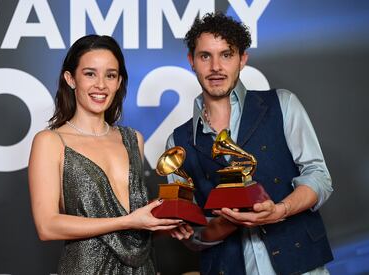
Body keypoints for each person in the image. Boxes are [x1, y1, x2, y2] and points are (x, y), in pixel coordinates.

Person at [167, 12, 334, 275]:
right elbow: (192, 237)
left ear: (242, 59)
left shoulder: (283, 104)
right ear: (192, 61)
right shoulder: (177, 142)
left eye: (227, 54)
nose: (216, 67)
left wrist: (280, 210)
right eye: (205, 56)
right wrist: (227, 223)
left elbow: (319, 177)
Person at [28, 34, 181, 274]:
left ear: (119, 82)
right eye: (90, 74)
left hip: (143, 268)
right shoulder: (50, 141)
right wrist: (128, 221)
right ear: (70, 79)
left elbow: (134, 224)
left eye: (110, 75)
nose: (101, 85)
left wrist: (162, 223)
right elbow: (47, 226)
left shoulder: (134, 139)